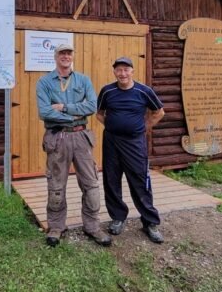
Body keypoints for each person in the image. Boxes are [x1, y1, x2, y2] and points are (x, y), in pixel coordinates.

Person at [36, 43, 111, 247]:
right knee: (56, 185)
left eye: (69, 53)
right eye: (62, 53)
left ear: (72, 56)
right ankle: (56, 227)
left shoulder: (83, 80)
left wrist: (63, 108)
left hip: (81, 137)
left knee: (91, 183)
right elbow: (44, 112)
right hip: (57, 138)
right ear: (55, 56)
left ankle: (92, 226)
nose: (66, 56)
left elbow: (92, 106)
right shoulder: (44, 82)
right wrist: (73, 117)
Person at [97, 56, 166, 244]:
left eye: (126, 69)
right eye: (119, 70)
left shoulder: (144, 91)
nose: (122, 73)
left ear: (132, 71)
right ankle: (118, 217)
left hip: (135, 143)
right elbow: (100, 114)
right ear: (114, 72)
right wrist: (113, 126)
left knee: (140, 180)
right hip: (111, 142)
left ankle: (150, 222)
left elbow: (159, 112)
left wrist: (142, 128)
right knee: (111, 180)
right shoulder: (107, 91)